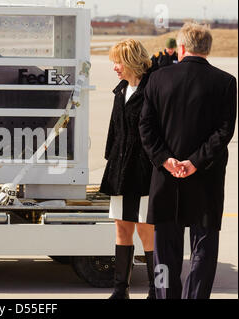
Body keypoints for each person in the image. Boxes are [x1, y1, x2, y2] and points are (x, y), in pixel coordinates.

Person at [139, 22, 237, 299]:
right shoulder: (226, 82)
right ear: (208, 47)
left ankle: (164, 295)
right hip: (206, 178)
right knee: (203, 249)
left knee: (164, 251)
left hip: (166, 178)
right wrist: (194, 162)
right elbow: (224, 131)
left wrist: (165, 159)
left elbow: (145, 127)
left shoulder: (158, 79)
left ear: (181, 47)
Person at [100, 39, 155, 299]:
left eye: (118, 62)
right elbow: (114, 130)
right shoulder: (121, 90)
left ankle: (157, 290)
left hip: (144, 172)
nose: (115, 68)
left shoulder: (152, 89)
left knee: (146, 230)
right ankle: (120, 290)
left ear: (132, 60)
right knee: (122, 228)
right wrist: (110, 159)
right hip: (120, 171)